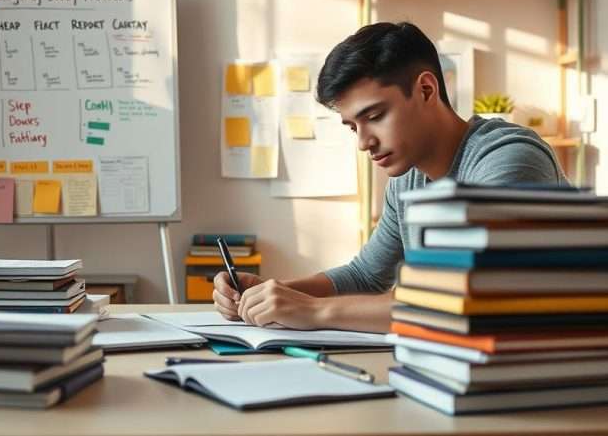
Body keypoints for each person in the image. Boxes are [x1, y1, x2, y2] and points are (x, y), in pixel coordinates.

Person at [213, 22, 568, 332]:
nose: (364, 143)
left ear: (426, 90)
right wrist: (273, 294)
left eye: (376, 115)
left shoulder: (508, 159)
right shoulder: (408, 178)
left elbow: (461, 297)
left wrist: (312, 310)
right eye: (353, 126)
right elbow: (365, 276)